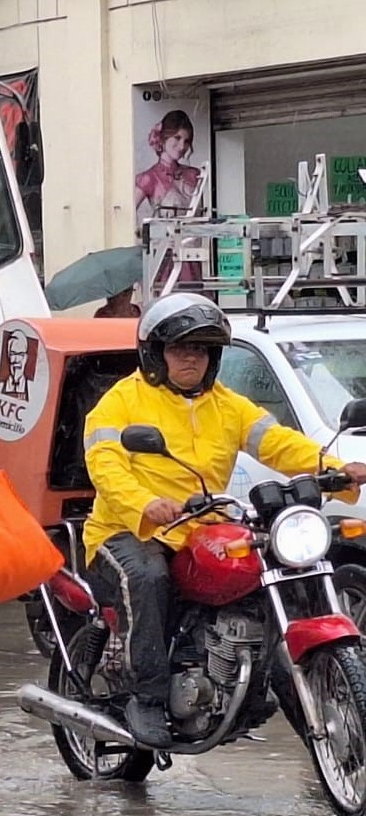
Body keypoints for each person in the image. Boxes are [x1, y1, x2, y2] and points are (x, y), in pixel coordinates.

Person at [83, 293, 366, 748]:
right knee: (148, 576)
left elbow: (277, 442)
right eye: (180, 349)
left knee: (270, 575)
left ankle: (261, 688)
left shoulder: (227, 405)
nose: (191, 358)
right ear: (156, 354)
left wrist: (332, 466)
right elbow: (106, 467)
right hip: (128, 529)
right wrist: (145, 503)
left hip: (203, 526)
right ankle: (147, 697)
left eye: (201, 349)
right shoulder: (120, 404)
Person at [134, 109, 201, 217]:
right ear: (163, 137)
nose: (182, 146)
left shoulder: (194, 174)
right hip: (165, 233)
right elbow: (127, 214)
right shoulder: (149, 178)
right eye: (177, 138)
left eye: (186, 141)